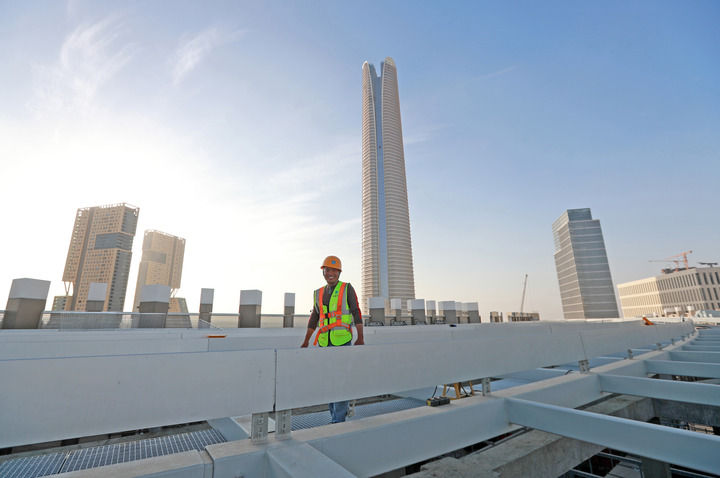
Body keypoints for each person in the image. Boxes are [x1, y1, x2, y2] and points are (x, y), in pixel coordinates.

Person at [301, 255, 364, 423]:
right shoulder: (318, 293)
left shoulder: (347, 288)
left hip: (342, 341)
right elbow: (314, 317)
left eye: (335, 271)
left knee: (341, 380)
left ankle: (338, 420)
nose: (331, 273)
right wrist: (306, 340)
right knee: (329, 380)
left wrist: (360, 337)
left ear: (339, 273)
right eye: (328, 270)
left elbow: (356, 312)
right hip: (324, 342)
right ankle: (334, 416)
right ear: (323, 272)